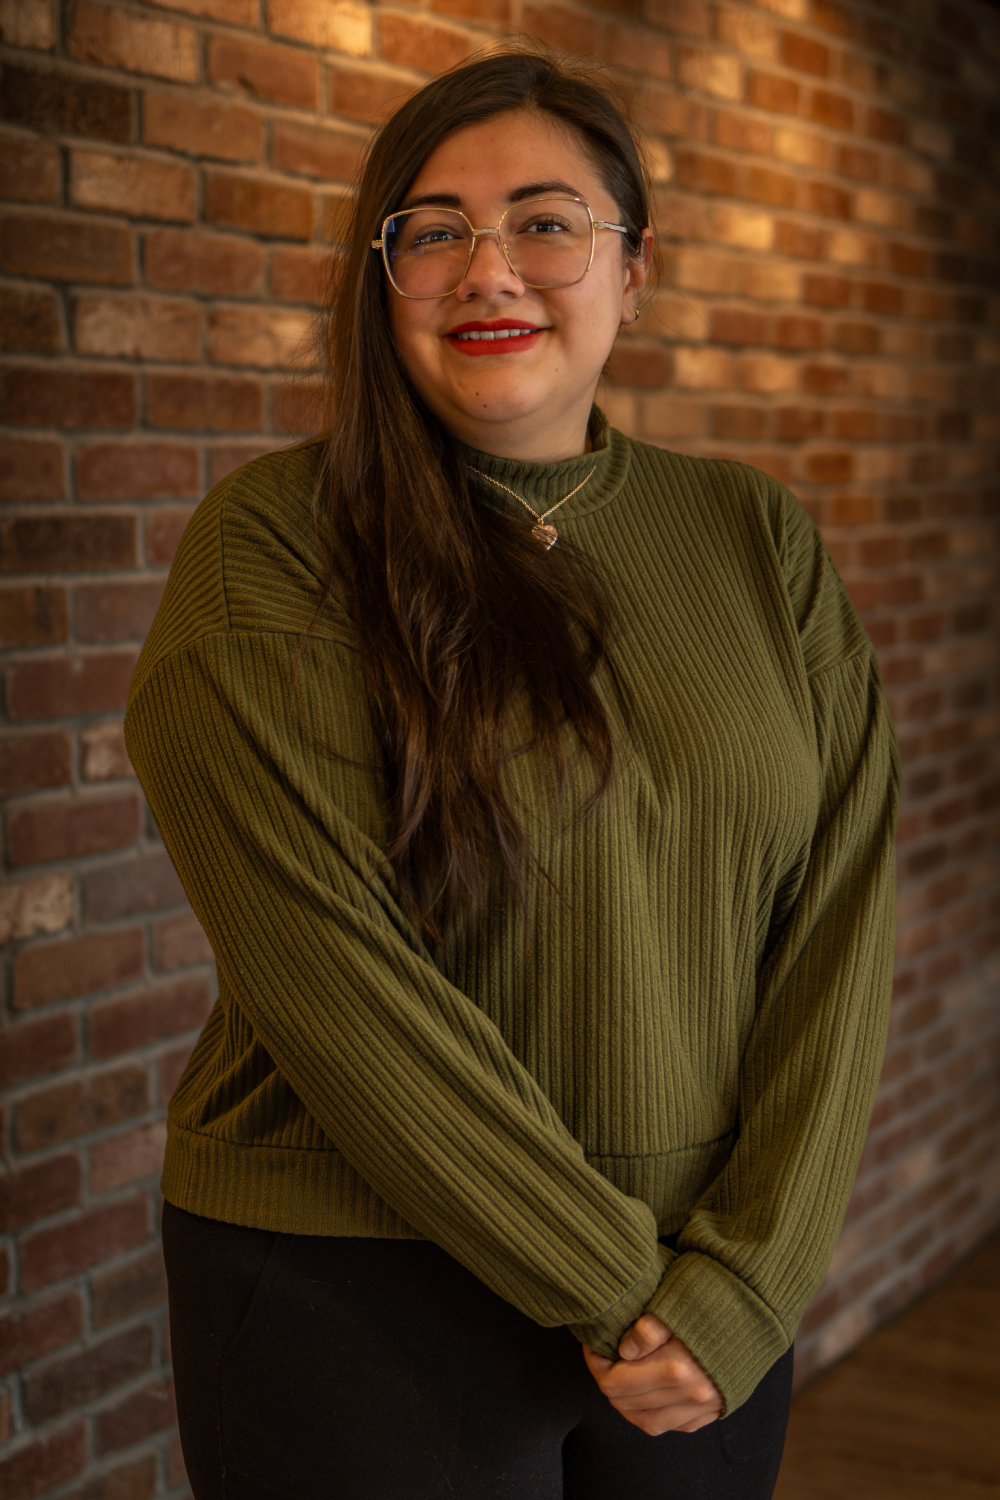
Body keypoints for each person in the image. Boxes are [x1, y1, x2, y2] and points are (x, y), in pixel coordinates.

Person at [125, 47, 898, 1500]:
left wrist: (752, 1274)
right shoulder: (272, 545)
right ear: (385, 279)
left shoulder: (755, 536)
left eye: (547, 223)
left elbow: (842, 915)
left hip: (704, 1289)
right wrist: (612, 1280)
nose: (491, 271)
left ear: (632, 270)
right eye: (434, 232)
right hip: (353, 1288)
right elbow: (333, 980)